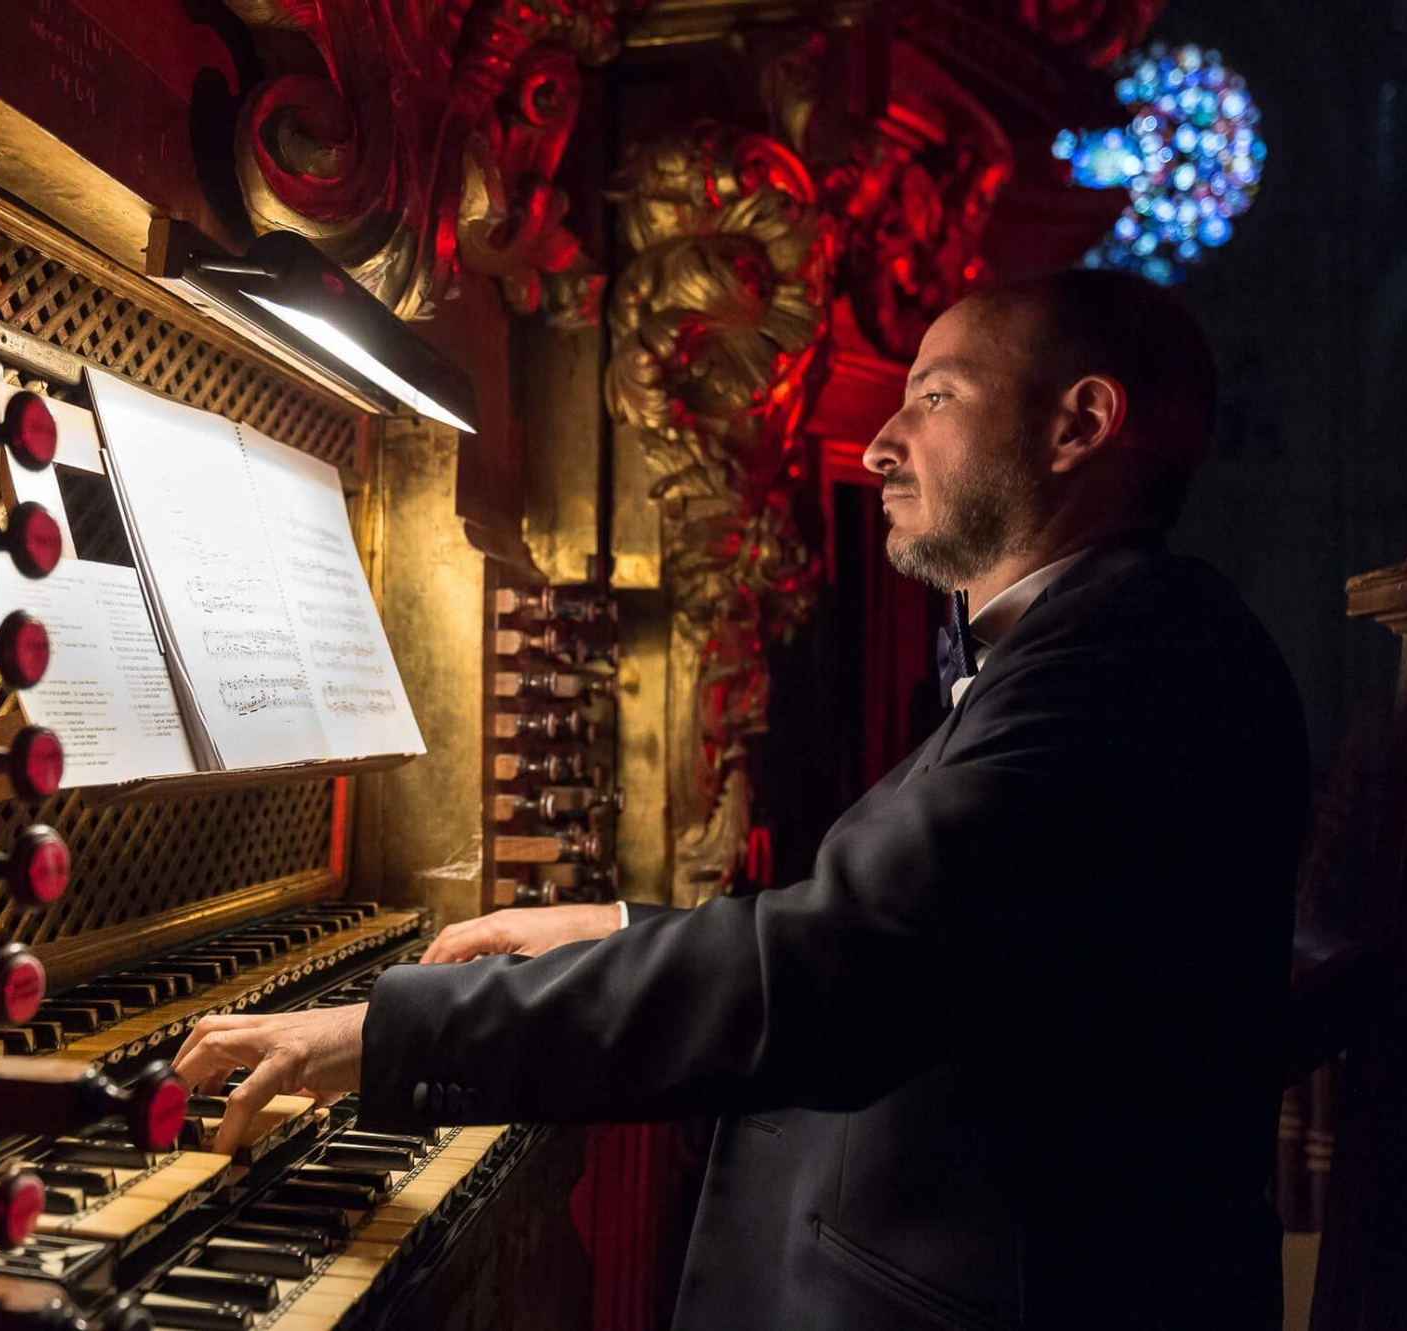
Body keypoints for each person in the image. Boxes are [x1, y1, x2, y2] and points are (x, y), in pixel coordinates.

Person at [172, 269, 1309, 1331]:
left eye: (934, 397)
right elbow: (931, 941)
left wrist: (392, 1027)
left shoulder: (1134, 660)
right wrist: (615, 927)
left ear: (1079, 423)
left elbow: (849, 966)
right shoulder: (1100, 639)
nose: (879, 444)